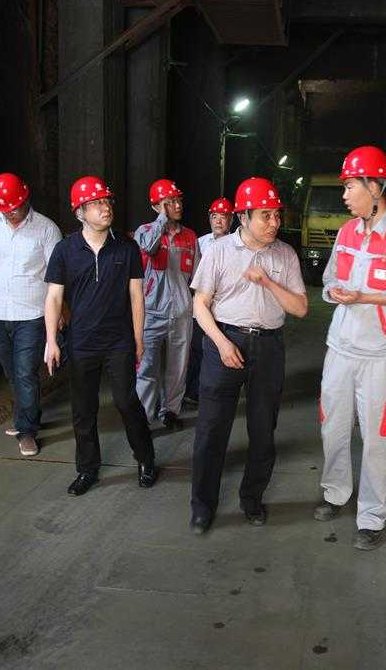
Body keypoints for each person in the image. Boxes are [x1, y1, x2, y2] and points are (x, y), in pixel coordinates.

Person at [313, 146, 386, 551]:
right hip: (340, 350)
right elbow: (328, 278)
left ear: (375, 187)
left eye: (350, 186)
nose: (344, 195)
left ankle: (373, 515)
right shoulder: (346, 232)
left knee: (379, 438)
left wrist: (365, 297)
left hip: (383, 356)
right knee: (333, 427)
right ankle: (335, 492)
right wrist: (335, 291)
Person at [188, 178, 307, 534]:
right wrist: (222, 344)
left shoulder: (285, 254)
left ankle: (252, 498)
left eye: (277, 215)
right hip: (224, 341)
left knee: (262, 430)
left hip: (268, 347)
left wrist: (268, 282)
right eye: (265, 215)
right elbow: (200, 305)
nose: (274, 222)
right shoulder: (219, 251)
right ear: (244, 217)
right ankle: (202, 506)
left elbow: (300, 308)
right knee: (211, 430)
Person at [44, 176, 158, 496]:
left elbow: (136, 296)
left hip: (119, 340)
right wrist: (51, 340)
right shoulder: (65, 250)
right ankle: (87, 469)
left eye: (106, 201)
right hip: (81, 342)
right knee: (83, 409)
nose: (105, 208)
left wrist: (138, 339)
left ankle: (146, 458)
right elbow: (54, 297)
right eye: (95, 203)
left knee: (126, 401)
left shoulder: (127, 247)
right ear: (80, 212)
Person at [0, 172, 61, 457]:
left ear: (26, 197)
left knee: (24, 372)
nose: (11, 212)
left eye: (15, 206)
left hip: (32, 315)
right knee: (12, 371)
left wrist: (59, 311)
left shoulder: (46, 229)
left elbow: (57, 276)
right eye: (5, 208)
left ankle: (27, 430)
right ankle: (28, 413)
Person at [132, 179, 199, 429]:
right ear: (156, 206)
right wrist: (162, 219)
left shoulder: (190, 237)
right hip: (151, 312)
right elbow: (149, 247)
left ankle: (170, 411)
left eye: (178, 200)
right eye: (169, 202)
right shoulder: (145, 231)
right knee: (147, 367)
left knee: (178, 366)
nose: (177, 205)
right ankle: (144, 418)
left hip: (181, 312)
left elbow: (197, 276)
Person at [185, 197, 233, 408]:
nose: (218, 221)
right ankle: (192, 392)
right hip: (200, 307)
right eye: (215, 216)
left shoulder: (236, 244)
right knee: (196, 351)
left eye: (223, 217)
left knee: (216, 351)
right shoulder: (200, 242)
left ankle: (216, 392)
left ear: (231, 219)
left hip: (223, 309)